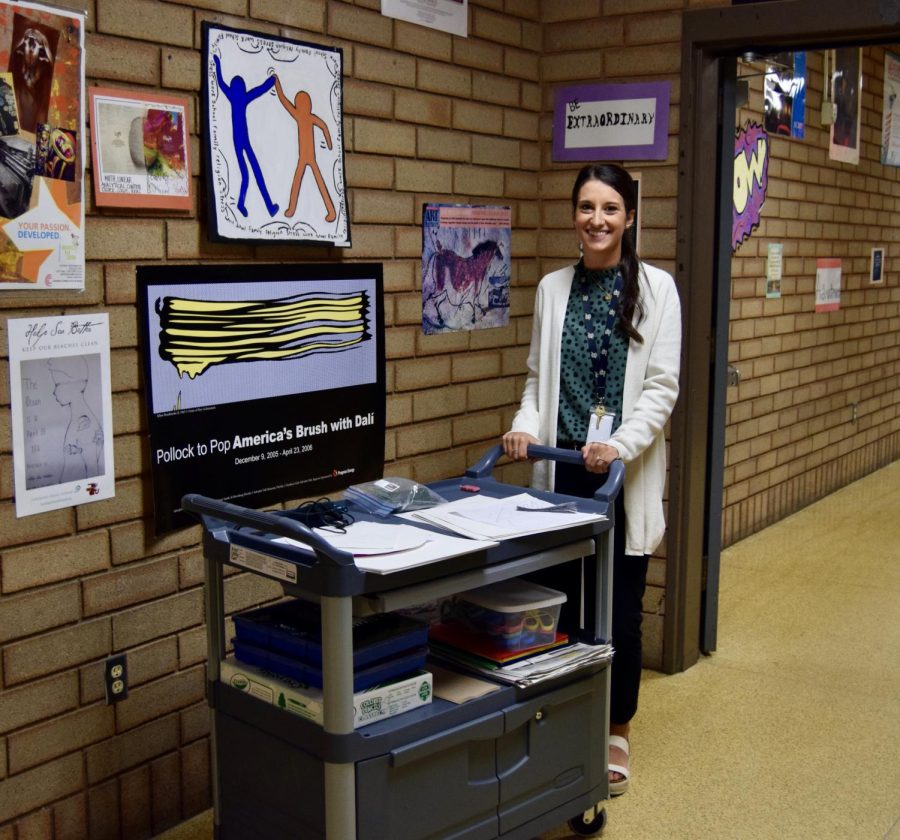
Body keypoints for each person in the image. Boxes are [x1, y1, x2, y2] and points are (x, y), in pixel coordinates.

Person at [502, 163, 681, 796]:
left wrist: (618, 445)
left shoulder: (658, 289)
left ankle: (616, 729)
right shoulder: (553, 288)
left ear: (629, 217)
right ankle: (567, 711)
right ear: (573, 215)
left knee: (621, 612)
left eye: (609, 208)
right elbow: (535, 380)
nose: (596, 220)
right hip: (561, 475)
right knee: (563, 603)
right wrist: (525, 426)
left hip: (618, 479)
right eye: (585, 207)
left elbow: (661, 389)